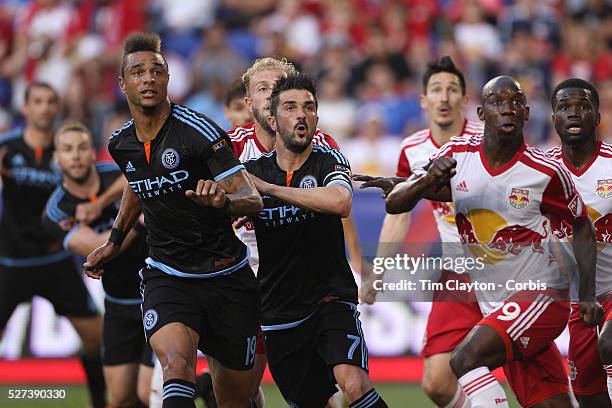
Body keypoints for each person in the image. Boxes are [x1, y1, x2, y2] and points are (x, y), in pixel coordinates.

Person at [384, 76, 602, 407]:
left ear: (527, 113)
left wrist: (586, 294)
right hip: (497, 305)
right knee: (553, 403)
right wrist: (428, 179)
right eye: (497, 102)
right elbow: (395, 203)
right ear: (481, 113)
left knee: (463, 360)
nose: (508, 109)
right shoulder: (457, 155)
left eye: (515, 102)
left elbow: (582, 224)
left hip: (540, 297)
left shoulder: (544, 171)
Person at [84, 32, 263, 408]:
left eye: (157, 71)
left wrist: (222, 203)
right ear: (123, 83)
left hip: (226, 276)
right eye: (138, 72)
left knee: (235, 398)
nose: (148, 78)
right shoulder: (121, 143)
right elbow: (137, 182)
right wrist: (114, 242)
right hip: (168, 275)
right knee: (176, 365)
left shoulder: (199, 132)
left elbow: (251, 198)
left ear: (168, 80)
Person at [244, 72, 389, 408]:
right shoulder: (250, 168)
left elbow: (340, 201)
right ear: (273, 119)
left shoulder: (329, 160)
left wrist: (269, 190)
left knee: (353, 382)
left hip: (330, 297)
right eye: (291, 107)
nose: (301, 115)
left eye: (309, 107)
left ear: (317, 118)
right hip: (279, 311)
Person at [356, 56, 483, 408]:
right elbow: (399, 213)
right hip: (459, 274)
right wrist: (377, 273)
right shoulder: (412, 149)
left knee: (528, 373)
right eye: (436, 90)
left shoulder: (488, 143)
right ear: (424, 100)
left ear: (464, 99)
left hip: (505, 268)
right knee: (437, 383)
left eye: (452, 90)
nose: (444, 97)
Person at [0, 82, 107, 408]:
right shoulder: (7, 148)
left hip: (56, 261)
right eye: (38, 102)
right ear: (26, 108)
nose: (45, 108)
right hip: (12, 263)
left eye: (51, 102)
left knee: (95, 338)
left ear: (57, 108)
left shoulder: (67, 151)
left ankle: (101, 403)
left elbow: (98, 182)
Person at [43, 122, 154, 408]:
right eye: (67, 150)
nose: (76, 156)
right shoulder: (56, 210)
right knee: (119, 399)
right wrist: (136, 218)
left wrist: (102, 202)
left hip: (156, 295)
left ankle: (206, 387)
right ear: (56, 158)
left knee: (149, 394)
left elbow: (141, 175)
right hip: (117, 304)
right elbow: (101, 247)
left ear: (93, 153)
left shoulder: (113, 176)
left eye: (82, 148)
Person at [545, 78, 612, 407]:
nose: (574, 113)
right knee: (589, 398)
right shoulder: (541, 173)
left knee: (611, 343)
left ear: (597, 118)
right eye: (564, 108)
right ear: (553, 118)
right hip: (578, 302)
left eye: (584, 107)